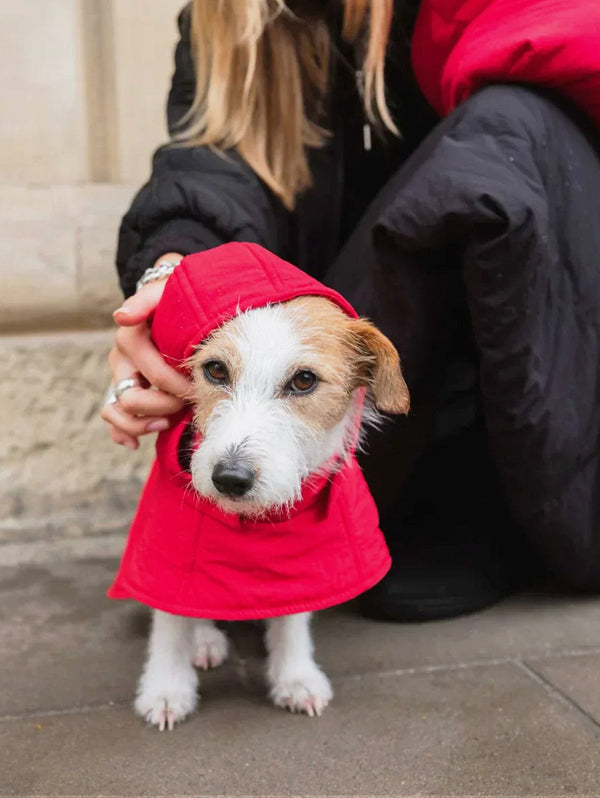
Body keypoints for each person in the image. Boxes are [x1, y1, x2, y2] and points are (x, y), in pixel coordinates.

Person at [102, 0, 600, 620]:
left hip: (523, 334)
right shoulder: (233, 17)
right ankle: (365, 501)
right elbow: (213, 165)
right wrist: (172, 278)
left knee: (497, 140)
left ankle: (497, 493)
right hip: (364, 363)